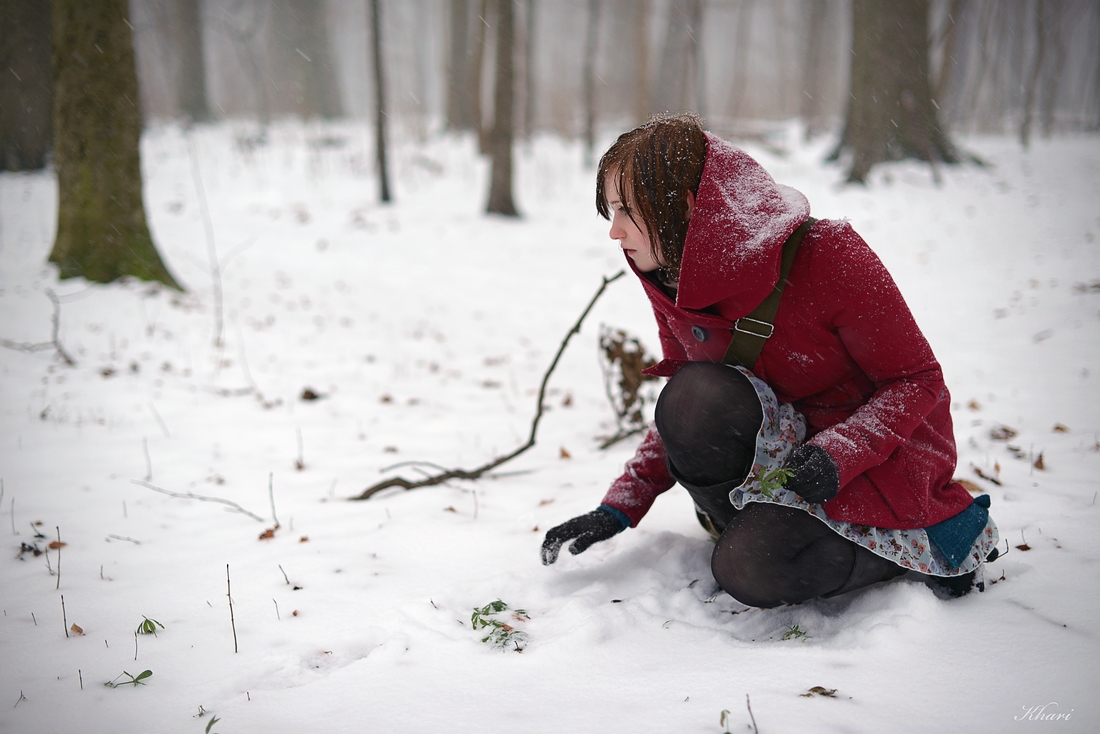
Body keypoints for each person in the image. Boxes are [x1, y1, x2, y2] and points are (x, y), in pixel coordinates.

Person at [540, 113, 999, 607]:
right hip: (783, 461)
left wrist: (839, 452)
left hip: (875, 461)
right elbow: (686, 406)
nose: (614, 232)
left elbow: (916, 380)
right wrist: (619, 507)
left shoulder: (828, 254)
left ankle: (928, 545)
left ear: (687, 207)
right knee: (695, 390)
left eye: (627, 211)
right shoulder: (675, 278)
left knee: (748, 570)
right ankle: (761, 529)